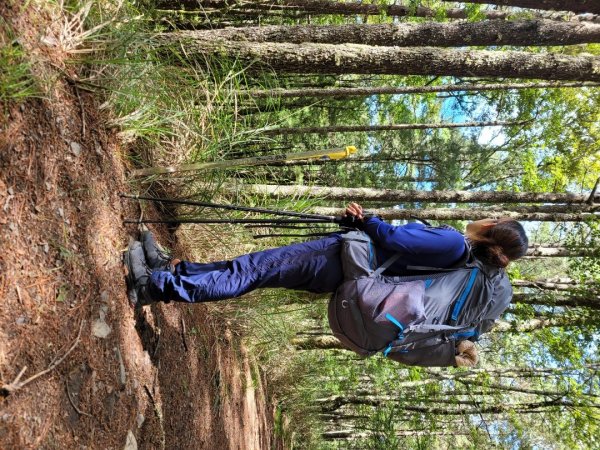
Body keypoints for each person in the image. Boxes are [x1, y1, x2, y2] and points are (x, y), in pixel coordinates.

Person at [125, 202, 528, 306]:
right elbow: (402, 251)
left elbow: (398, 242)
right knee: (252, 268)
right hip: (345, 272)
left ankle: (153, 287)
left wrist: (368, 221)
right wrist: (373, 226)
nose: (489, 217)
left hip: (340, 259)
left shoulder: (456, 245)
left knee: (251, 270)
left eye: (495, 219)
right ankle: (172, 271)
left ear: (492, 230)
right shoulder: (461, 264)